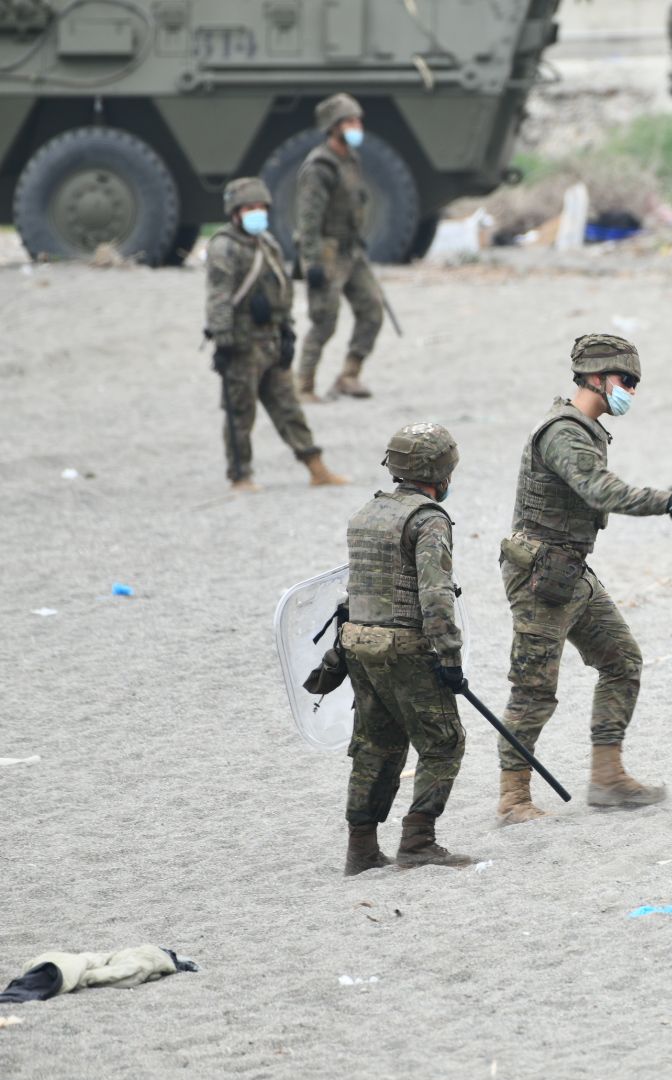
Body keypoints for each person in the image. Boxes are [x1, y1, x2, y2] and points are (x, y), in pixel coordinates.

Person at [494, 334, 672, 823]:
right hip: (541, 579)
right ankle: (513, 798)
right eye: (624, 379)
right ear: (595, 377)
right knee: (533, 690)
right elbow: (597, 488)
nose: (630, 389)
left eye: (633, 381)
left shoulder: (586, 428)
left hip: (569, 572)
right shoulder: (565, 431)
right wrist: (666, 501)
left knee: (622, 659)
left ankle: (608, 777)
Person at [339, 423, 473, 874]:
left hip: (358, 645)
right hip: (404, 649)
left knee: (375, 745)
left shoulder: (366, 513)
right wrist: (450, 658)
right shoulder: (428, 519)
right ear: (439, 470)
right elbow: (435, 596)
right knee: (444, 742)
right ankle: (418, 839)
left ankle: (361, 849)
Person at [205, 177, 347, 493]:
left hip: (270, 341)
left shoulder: (266, 243)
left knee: (289, 407)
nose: (257, 213)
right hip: (241, 344)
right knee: (240, 414)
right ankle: (240, 476)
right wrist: (223, 340)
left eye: (261, 207)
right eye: (249, 208)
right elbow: (219, 296)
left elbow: (281, 288)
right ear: (235, 212)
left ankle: (316, 467)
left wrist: (287, 332)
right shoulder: (224, 247)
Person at [295, 92, 385, 402]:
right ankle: (303, 386)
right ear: (333, 127)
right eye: (348, 121)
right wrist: (312, 262)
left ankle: (349, 375)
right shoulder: (320, 167)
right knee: (324, 321)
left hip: (351, 251)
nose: (356, 126)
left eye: (357, 120)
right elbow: (308, 219)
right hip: (326, 251)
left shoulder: (350, 159)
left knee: (372, 309)